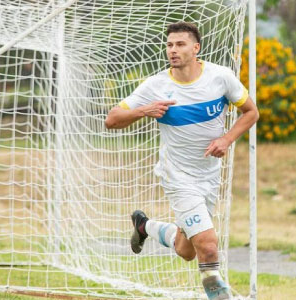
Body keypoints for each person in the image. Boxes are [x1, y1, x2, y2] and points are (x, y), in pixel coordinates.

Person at [104, 21, 259, 300]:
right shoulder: (156, 85)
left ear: (196, 48)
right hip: (177, 177)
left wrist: (225, 140)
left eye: (180, 44)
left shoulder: (220, 77)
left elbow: (250, 112)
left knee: (186, 250)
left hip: (209, 175)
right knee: (209, 247)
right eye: (169, 45)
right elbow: (112, 119)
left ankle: (144, 226)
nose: (172, 50)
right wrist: (145, 110)